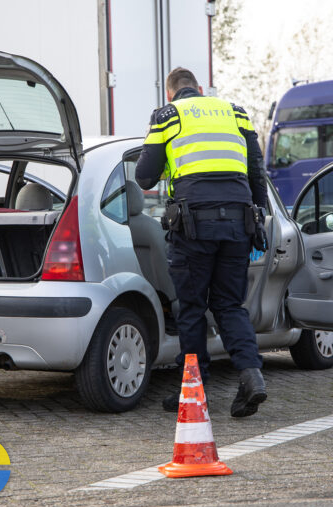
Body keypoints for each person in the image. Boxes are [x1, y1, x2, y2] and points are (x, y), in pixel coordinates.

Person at [134, 67, 269, 418]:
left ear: (170, 93)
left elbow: (144, 175)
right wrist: (261, 216)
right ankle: (251, 376)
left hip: (193, 226)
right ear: (200, 89)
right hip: (238, 224)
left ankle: (194, 390)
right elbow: (256, 169)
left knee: (192, 309)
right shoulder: (235, 112)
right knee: (229, 306)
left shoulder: (167, 116)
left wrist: (168, 163)